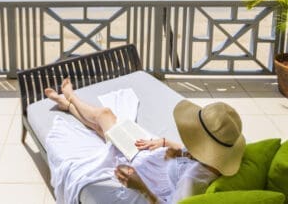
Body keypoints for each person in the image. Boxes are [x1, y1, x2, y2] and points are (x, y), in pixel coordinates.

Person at [44, 78, 246, 204]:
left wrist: (140, 186)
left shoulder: (192, 181)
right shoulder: (218, 162)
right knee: (104, 129)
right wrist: (166, 142)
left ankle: (71, 98)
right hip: (155, 156)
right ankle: (68, 103)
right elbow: (195, 156)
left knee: (105, 117)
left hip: (146, 168)